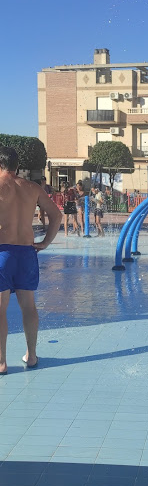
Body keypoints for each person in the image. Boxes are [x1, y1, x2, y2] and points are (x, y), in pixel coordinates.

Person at [0, 146, 62, 373]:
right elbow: (57, 215)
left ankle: (1, 362)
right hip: (26, 252)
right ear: (17, 166)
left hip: (2, 253)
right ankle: (32, 355)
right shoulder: (32, 188)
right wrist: (45, 242)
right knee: (29, 307)